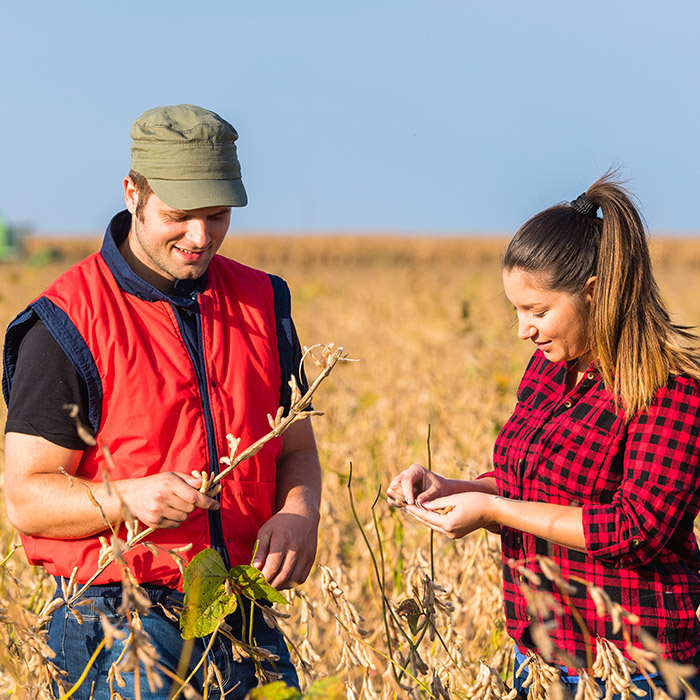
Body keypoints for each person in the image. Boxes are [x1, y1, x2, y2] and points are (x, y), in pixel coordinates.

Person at [2, 104, 321, 699]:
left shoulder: (265, 302)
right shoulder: (66, 324)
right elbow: (25, 498)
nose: (200, 238)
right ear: (132, 194)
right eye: (179, 216)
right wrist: (129, 497)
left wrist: (301, 511)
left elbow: (295, 447)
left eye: (218, 215)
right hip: (116, 615)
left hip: (240, 607)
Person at [387, 174, 700, 697]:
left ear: (597, 293)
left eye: (537, 311)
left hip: (635, 667)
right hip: (541, 654)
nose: (522, 330)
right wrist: (457, 489)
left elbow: (633, 528)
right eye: (516, 310)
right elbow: (528, 486)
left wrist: (494, 512)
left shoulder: (669, 391)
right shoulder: (549, 371)